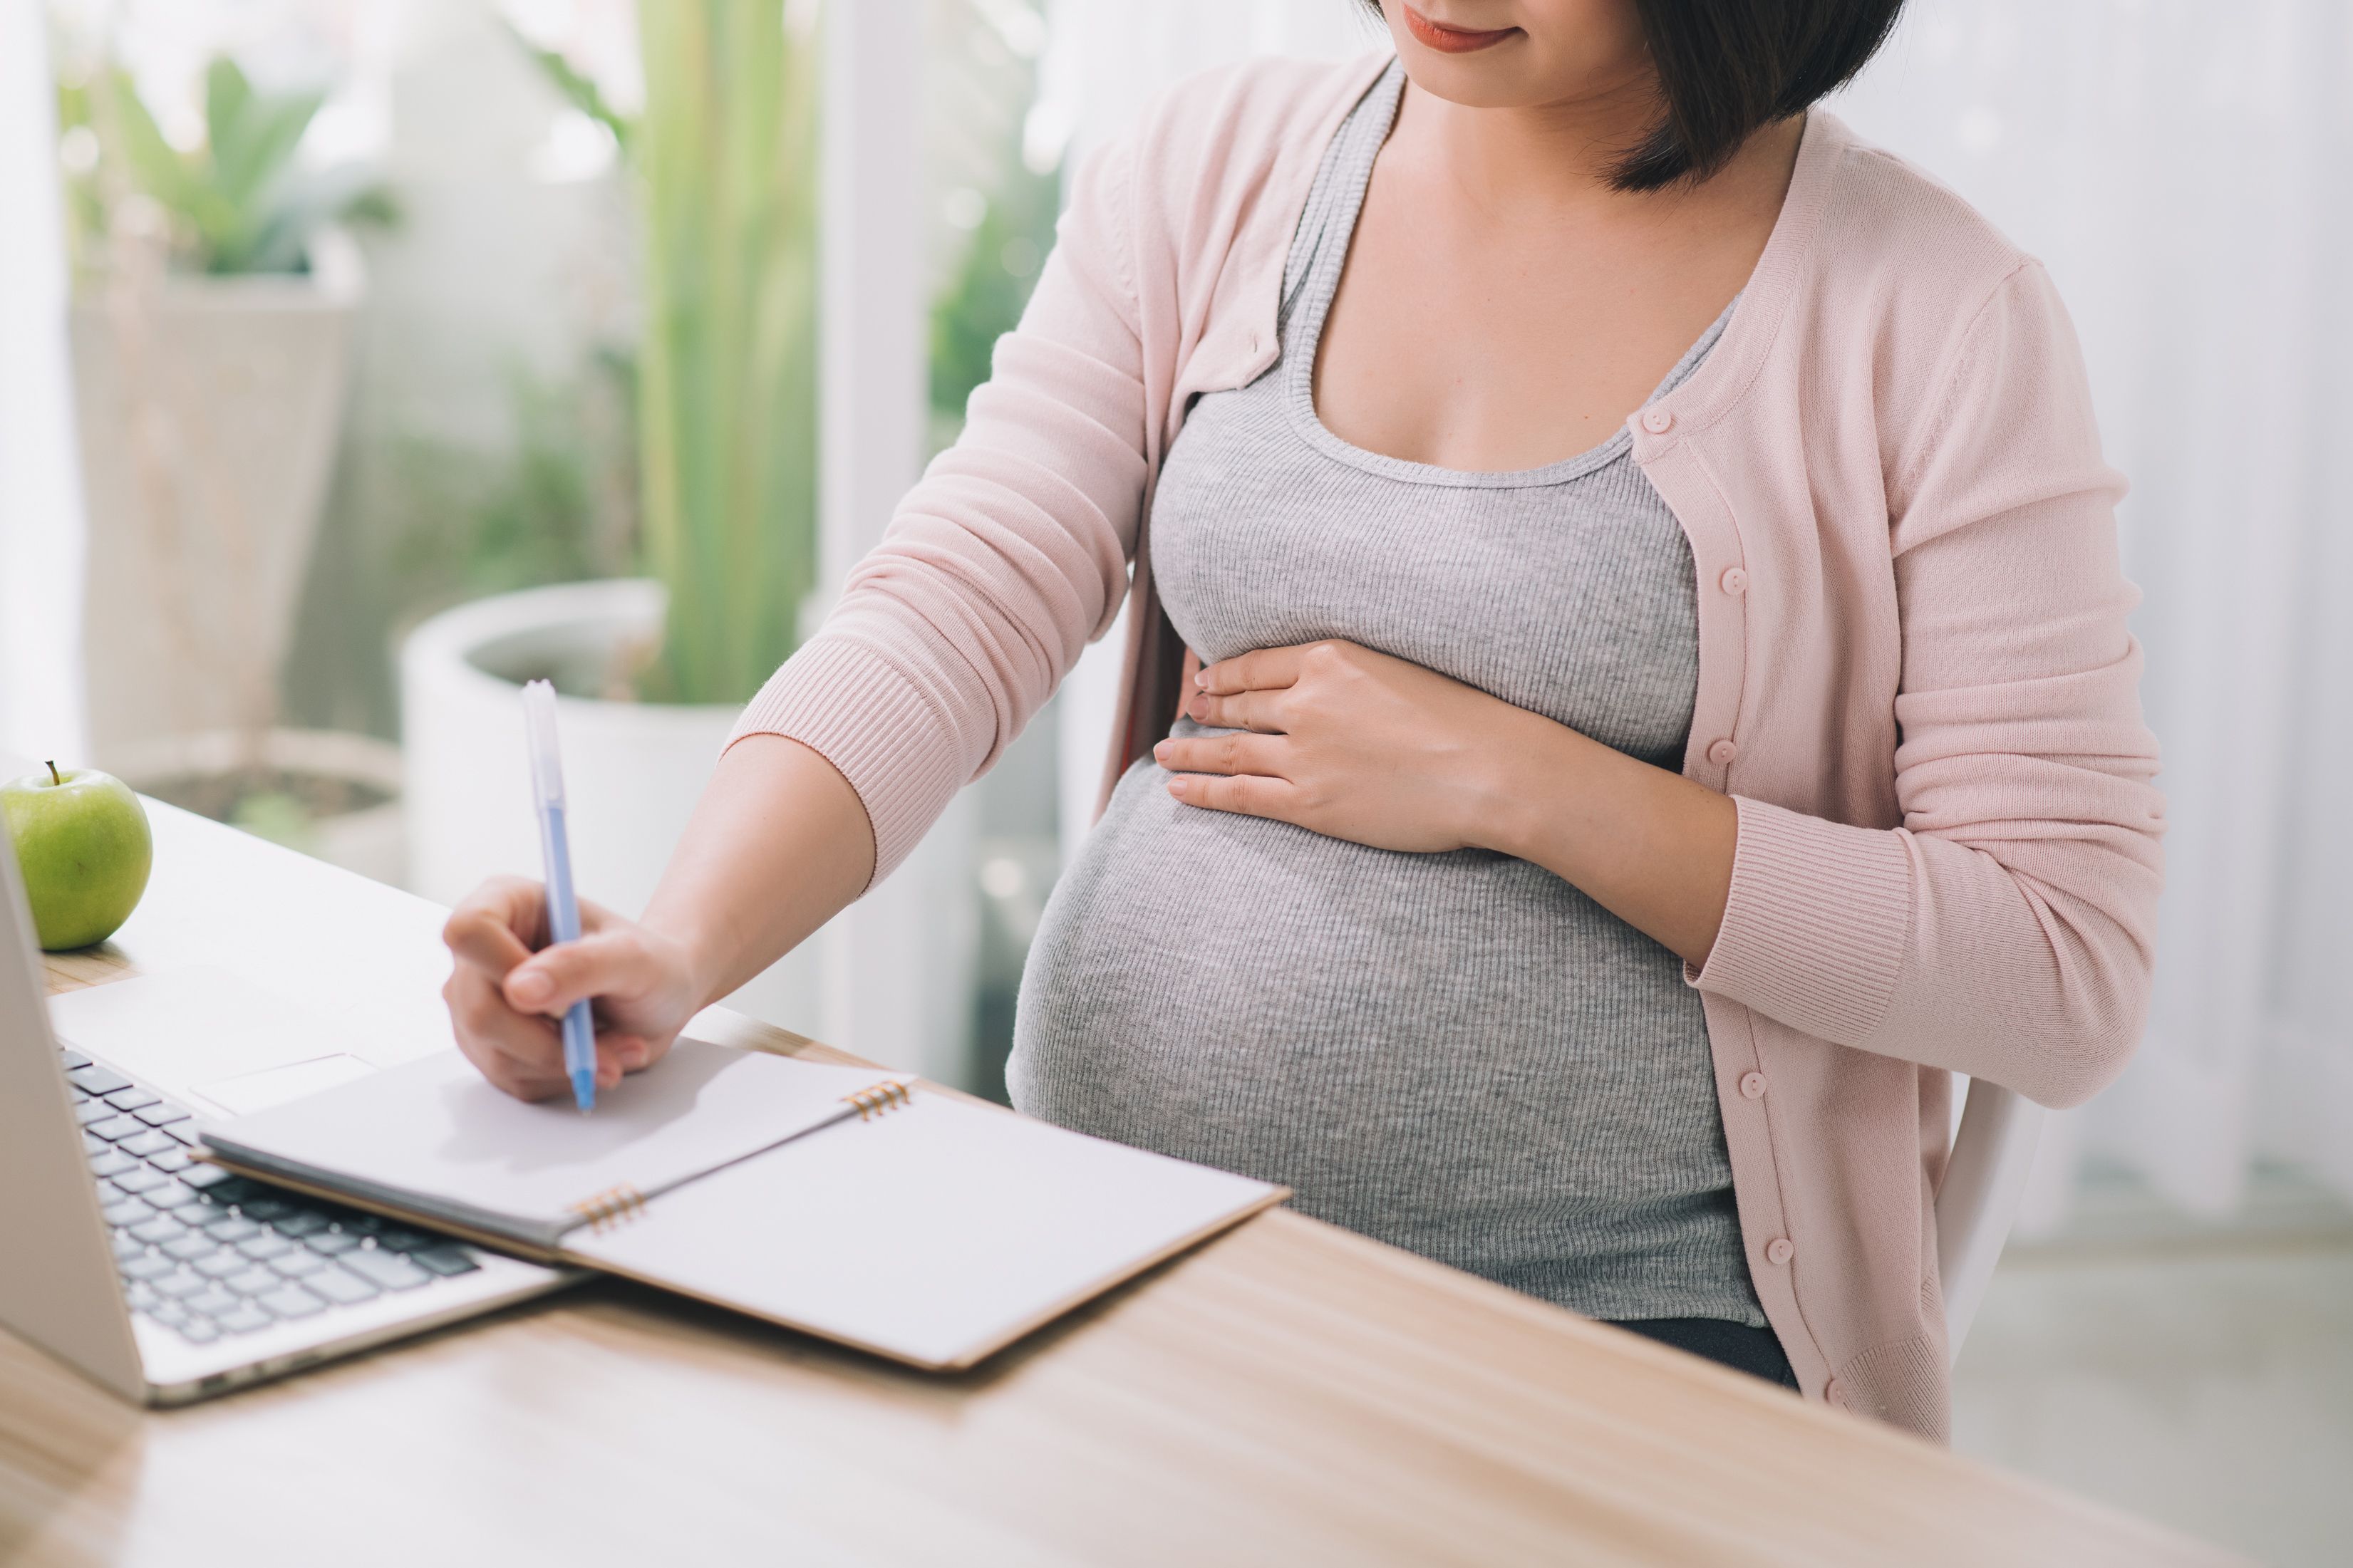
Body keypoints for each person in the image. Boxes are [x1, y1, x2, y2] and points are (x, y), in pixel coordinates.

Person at [439, 0, 2163, 1441]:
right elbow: (960, 596)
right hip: (1096, 1255)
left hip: (1610, 1353)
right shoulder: (1218, 169)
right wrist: (676, 945)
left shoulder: (1931, 316)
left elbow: (2063, 969)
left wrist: (1523, 783)